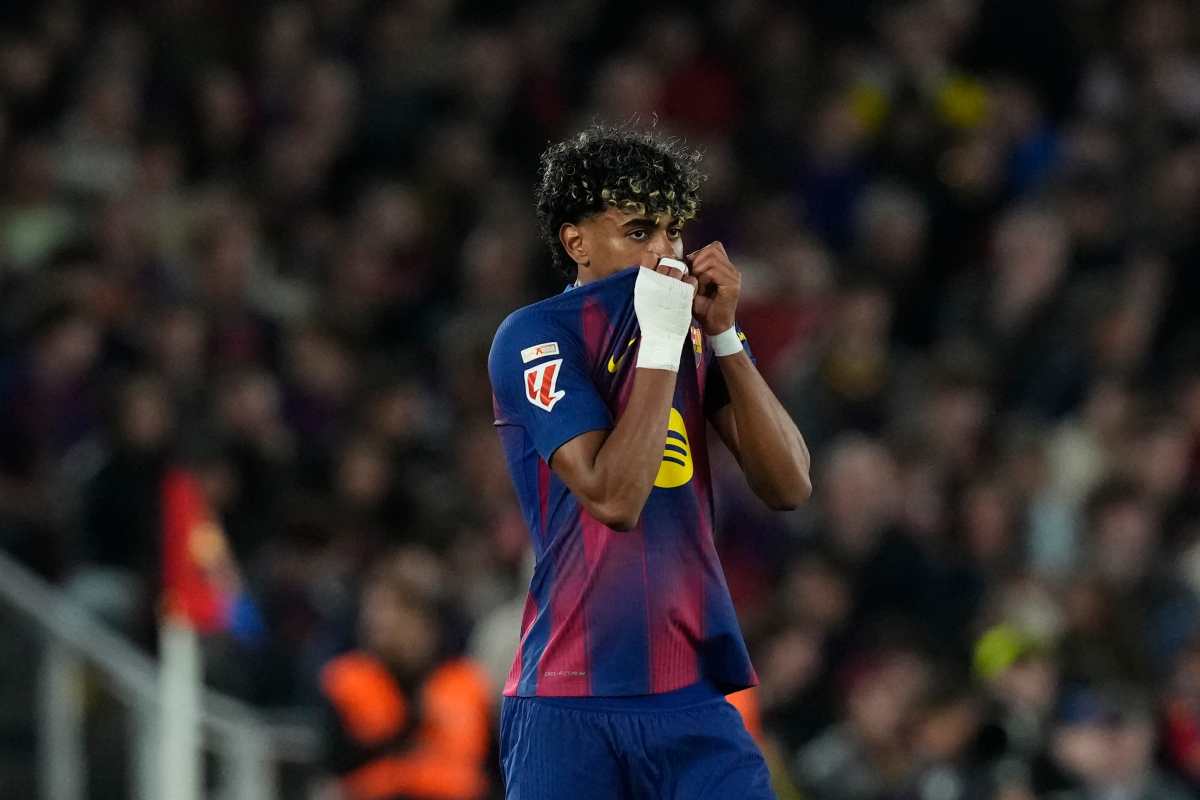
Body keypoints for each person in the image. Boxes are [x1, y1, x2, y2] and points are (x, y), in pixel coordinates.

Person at [487, 124, 812, 799]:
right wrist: (662, 341)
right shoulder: (535, 336)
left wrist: (721, 334)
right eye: (639, 231)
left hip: (687, 694)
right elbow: (615, 498)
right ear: (576, 241)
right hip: (568, 700)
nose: (665, 253)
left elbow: (789, 483)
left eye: (672, 232)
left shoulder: (694, 332)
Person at [320, 552, 493, 800]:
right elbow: (333, 769)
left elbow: (492, 769)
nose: (376, 623)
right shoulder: (345, 680)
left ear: (425, 621)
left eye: (392, 611)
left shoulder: (466, 682)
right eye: (373, 612)